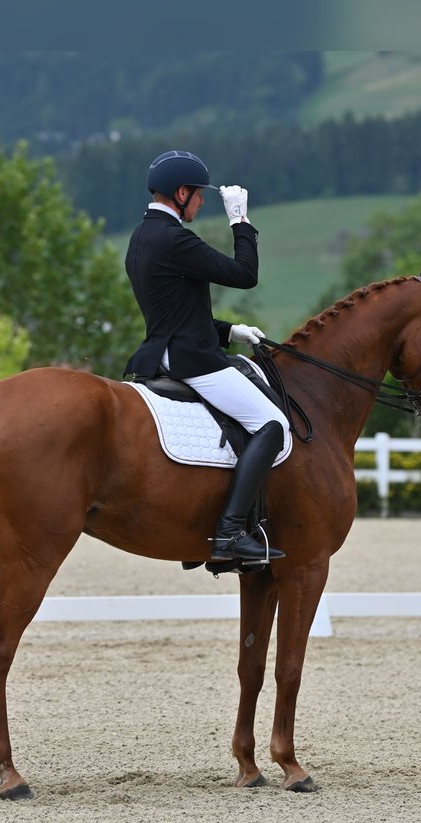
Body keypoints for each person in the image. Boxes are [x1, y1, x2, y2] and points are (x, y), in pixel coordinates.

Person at [124, 150, 290, 563]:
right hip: (189, 359)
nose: (201, 203)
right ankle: (230, 533)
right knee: (271, 423)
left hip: (155, 354)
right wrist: (240, 221)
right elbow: (244, 275)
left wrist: (228, 331)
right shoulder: (175, 238)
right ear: (180, 193)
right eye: (198, 196)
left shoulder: (141, 237)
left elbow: (173, 310)